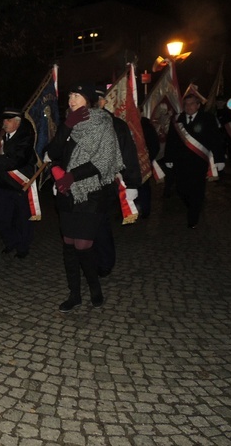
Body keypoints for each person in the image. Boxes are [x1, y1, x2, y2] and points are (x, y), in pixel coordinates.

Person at [46, 84, 123, 312]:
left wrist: (73, 176)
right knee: (68, 244)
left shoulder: (102, 124)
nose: (71, 99)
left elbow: (104, 160)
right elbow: (53, 153)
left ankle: (95, 288)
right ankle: (75, 294)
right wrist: (66, 128)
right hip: (67, 193)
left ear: (88, 100)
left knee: (83, 244)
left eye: (77, 95)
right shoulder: (68, 124)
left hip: (91, 193)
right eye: (70, 94)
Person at [93, 88, 141, 277]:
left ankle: (104, 262)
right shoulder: (78, 123)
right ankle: (91, 259)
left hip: (107, 182)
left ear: (103, 102)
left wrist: (132, 183)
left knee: (100, 223)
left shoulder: (116, 125)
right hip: (81, 183)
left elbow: (128, 154)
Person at [0, 107, 37, 258]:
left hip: (19, 184)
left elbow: (17, 159)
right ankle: (10, 242)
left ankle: (23, 247)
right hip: (2, 184)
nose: (4, 123)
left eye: (8, 120)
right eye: (4, 120)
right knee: (1, 216)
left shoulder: (25, 137)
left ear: (17, 123)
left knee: (22, 218)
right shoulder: (0, 135)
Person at [164, 93, 224, 228]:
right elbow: (171, 140)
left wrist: (219, 159)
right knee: (181, 189)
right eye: (186, 104)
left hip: (199, 161)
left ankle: (193, 218)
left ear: (198, 105)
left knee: (197, 190)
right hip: (181, 162)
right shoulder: (178, 119)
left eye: (192, 104)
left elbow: (216, 139)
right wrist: (169, 157)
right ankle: (193, 205)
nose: (188, 107)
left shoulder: (208, 118)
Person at [137, 114, 160, 218]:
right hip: (130, 163)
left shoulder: (146, 126)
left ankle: (145, 210)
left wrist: (148, 159)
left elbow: (154, 144)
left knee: (144, 187)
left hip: (143, 162)